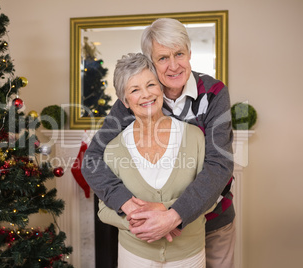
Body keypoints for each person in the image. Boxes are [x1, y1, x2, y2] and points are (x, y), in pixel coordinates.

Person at [82, 18, 235, 268]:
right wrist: (129, 206)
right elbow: (91, 160)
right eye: (163, 58)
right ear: (150, 62)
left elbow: (218, 165)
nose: (173, 65)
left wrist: (173, 216)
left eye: (179, 54)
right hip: (146, 231)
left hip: (215, 219)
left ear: (189, 54)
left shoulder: (214, 92)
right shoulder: (139, 99)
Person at [99, 52, 209, 267]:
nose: (146, 95)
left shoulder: (194, 136)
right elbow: (104, 210)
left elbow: (211, 196)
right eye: (134, 90)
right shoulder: (113, 148)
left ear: (160, 88)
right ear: (125, 101)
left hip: (189, 255)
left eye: (151, 85)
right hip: (134, 255)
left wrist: (166, 214)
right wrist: (143, 225)